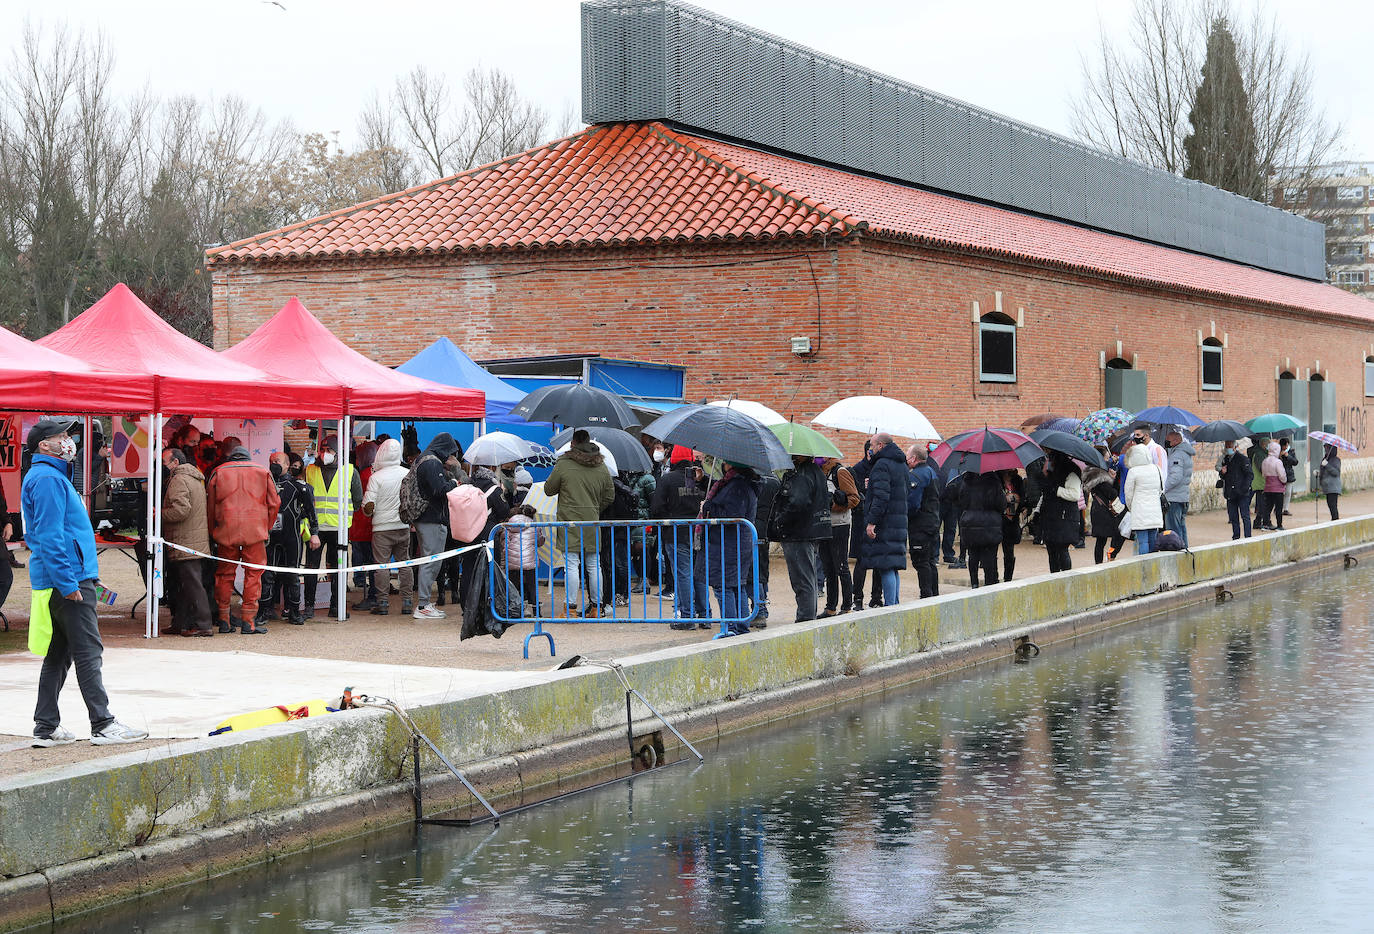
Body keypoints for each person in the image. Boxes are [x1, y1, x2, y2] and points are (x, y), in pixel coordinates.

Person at [23, 416, 148, 747]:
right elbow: (51, 536)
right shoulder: (49, 479)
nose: (69, 440)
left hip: (62, 577)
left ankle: (46, 725)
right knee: (88, 651)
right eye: (62, 435)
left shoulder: (46, 476)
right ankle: (103, 723)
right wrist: (69, 583)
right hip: (69, 579)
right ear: (44, 445)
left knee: (59, 654)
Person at [206, 446, 280, 634]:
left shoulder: (218, 472)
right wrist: (266, 527)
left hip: (226, 530)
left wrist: (213, 531)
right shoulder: (262, 472)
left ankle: (224, 620)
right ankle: (249, 622)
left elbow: (210, 505)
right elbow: (274, 503)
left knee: (224, 575)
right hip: (254, 531)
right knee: (254, 575)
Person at [545, 428, 614, 618]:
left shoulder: (564, 464)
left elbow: (549, 490)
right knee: (594, 564)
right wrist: (594, 509)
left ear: (573, 443)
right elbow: (610, 495)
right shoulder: (601, 465)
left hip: (569, 521)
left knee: (571, 564)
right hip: (592, 520)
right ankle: (596, 607)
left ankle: (571, 608)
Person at [302, 435, 363, 620]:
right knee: (311, 569)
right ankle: (310, 607)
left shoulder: (350, 471)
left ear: (338, 452)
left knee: (338, 570)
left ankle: (336, 606)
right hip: (316, 528)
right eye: (322, 450)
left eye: (328, 450)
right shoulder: (310, 470)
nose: (323, 454)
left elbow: (358, 499)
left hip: (339, 529)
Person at [651, 447, 711, 627]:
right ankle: (705, 615)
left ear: (674, 459)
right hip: (698, 532)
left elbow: (656, 508)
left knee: (683, 574)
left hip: (675, 533)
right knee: (699, 574)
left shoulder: (667, 479)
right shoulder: (699, 479)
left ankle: (687, 616)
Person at [772, 452, 831, 622]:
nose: (790, 456)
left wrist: (781, 519)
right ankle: (807, 617)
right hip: (810, 531)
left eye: (794, 454)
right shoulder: (815, 472)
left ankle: (805, 619)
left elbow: (798, 502)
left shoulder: (802, 474)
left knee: (802, 580)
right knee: (808, 578)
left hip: (799, 533)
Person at [701, 461, 759, 634]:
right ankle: (740, 626)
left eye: (726, 461)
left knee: (724, 585)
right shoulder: (740, 483)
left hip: (729, 543)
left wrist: (708, 507)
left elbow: (732, 515)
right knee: (735, 585)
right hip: (735, 542)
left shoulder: (737, 485)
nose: (723, 464)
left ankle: (731, 627)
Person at [261, 450, 319, 625]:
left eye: (278, 461)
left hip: (291, 537)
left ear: (287, 465)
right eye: (271, 461)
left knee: (292, 575)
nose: (274, 464)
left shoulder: (298, 486)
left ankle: (294, 611)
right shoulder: (263, 485)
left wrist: (314, 533)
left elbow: (311, 511)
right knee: (267, 574)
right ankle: (265, 610)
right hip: (270, 537)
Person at [160, 448, 212, 636]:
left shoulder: (179, 480)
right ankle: (180, 622)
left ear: (175, 463)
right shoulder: (194, 478)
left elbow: (181, 510)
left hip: (185, 540)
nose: (162, 466)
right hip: (193, 540)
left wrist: (159, 514)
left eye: (164, 462)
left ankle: (203, 625)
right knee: (186, 584)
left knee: (192, 584)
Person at [411, 433, 462, 620]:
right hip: (431, 518)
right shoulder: (432, 463)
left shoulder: (423, 459)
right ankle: (423, 605)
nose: (451, 457)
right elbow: (439, 490)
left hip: (427, 518)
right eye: (450, 453)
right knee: (431, 561)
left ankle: (425, 603)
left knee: (431, 560)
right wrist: (454, 482)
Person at [362, 439, 411, 617]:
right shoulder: (407, 474)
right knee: (405, 563)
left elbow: (368, 506)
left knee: (382, 566)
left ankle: (382, 602)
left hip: (382, 528)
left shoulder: (376, 477)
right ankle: (407, 601)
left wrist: (368, 510)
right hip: (403, 525)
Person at [861, 433, 908, 607]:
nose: (870, 449)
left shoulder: (881, 465)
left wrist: (872, 522)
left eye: (872, 445)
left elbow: (881, 497)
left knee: (885, 564)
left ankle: (890, 607)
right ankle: (894, 603)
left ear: (880, 445)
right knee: (893, 565)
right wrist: (872, 484)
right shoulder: (901, 464)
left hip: (886, 522)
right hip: (899, 520)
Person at [818, 456, 858, 617]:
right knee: (828, 568)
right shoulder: (820, 473)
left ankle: (847, 605)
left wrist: (833, 505)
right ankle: (830, 607)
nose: (816, 459)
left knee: (841, 566)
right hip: (823, 525)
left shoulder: (840, 472)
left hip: (840, 525)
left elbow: (854, 498)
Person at [347, 441, 382, 612]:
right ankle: (375, 594)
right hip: (368, 526)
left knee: (370, 564)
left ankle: (373, 596)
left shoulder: (364, 476)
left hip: (362, 526)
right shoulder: (374, 474)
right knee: (373, 563)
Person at [958, 470, 1005, 588]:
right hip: (990, 524)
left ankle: (974, 582)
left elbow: (962, 502)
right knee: (990, 558)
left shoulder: (967, 479)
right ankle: (990, 583)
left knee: (973, 554)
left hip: (970, 523)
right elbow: (1001, 504)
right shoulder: (994, 481)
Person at [905, 444, 941, 598]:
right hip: (933, 522)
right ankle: (934, 594)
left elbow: (912, 504)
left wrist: (905, 516)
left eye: (907, 456)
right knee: (931, 561)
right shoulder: (931, 472)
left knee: (921, 561)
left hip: (920, 525)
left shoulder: (916, 475)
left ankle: (926, 595)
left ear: (914, 458)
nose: (906, 459)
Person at [1040, 452, 1083, 571]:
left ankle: (1065, 579)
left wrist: (1057, 490)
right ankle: (1054, 578)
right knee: (1051, 550)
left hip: (1065, 517)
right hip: (1051, 517)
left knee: (1062, 549)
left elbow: (1075, 494)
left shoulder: (1071, 472)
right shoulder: (1051, 474)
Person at [503, 504, 545, 614]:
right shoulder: (535, 525)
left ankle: (514, 610)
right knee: (532, 586)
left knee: (513, 587)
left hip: (512, 562)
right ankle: (536, 611)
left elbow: (505, 543)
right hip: (530, 561)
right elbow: (539, 542)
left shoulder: (508, 525)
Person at [1123, 444, 1164, 554]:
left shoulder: (1133, 471)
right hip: (1155, 509)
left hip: (1139, 510)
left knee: (1143, 542)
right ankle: (1153, 566)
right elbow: (1161, 489)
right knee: (1153, 540)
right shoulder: (1157, 469)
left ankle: (1144, 566)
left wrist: (1132, 507)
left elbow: (1128, 493)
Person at [1084, 457, 1126, 563]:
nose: (1109, 459)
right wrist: (1115, 478)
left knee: (1101, 541)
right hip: (1104, 512)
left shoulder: (1094, 475)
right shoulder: (1101, 478)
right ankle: (1107, 558)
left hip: (1099, 510)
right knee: (1113, 536)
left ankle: (1100, 563)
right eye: (1107, 457)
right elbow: (1113, 493)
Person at [1163, 429, 1195, 548]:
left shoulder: (1177, 455)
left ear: (1176, 441)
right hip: (1182, 496)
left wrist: (1163, 488)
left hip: (1174, 498)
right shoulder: (1184, 453)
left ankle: (1177, 553)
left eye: (1168, 440)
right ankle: (1184, 550)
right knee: (1181, 527)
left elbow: (1175, 477)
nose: (1166, 442)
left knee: (1174, 529)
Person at [1220, 438, 1254, 539]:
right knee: (1233, 517)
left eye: (1230, 446)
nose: (1228, 448)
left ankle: (1248, 537)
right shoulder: (1225, 459)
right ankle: (1236, 537)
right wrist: (1222, 473)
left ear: (1235, 447)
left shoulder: (1242, 459)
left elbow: (1249, 475)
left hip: (1242, 493)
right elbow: (1224, 477)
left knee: (1245, 516)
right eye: (1226, 446)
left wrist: (1244, 488)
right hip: (1230, 493)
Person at [998, 468, 1026, 581]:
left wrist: (1021, 505)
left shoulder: (1018, 480)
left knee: (1009, 551)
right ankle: (992, 578)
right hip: (998, 519)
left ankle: (1007, 578)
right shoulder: (996, 479)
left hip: (1011, 520)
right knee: (992, 550)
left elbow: (1023, 498)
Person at [1259, 441, 1287, 531]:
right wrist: (1284, 481)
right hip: (1278, 488)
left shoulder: (1264, 461)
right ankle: (1279, 525)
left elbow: (1263, 474)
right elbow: (1282, 475)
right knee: (1278, 507)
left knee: (1268, 507)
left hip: (1268, 487)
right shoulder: (1278, 462)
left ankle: (1265, 524)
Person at [1249, 435, 1270, 530]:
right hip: (1260, 482)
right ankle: (1258, 522)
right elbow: (1261, 468)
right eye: (1267, 444)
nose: (1268, 445)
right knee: (1262, 504)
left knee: (1263, 503)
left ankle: (1263, 521)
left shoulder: (1264, 453)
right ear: (1263, 444)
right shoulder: (1258, 454)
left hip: (1263, 482)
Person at [1320, 442, 1342, 520]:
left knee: (1333, 505)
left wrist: (1327, 465)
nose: (1325, 450)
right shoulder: (1325, 458)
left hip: (1333, 487)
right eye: (1325, 448)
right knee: (1330, 504)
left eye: (1327, 448)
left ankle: (1335, 520)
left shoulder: (1336, 460)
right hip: (1327, 487)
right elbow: (1324, 471)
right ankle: (1334, 519)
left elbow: (1336, 472)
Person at [1279, 438, 1298, 518]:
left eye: (1287, 445)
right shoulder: (1277, 451)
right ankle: (1278, 508)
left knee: (1288, 492)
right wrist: (1279, 456)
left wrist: (1288, 456)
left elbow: (1295, 462)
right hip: (1279, 474)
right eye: (1285, 445)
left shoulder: (1291, 451)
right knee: (1280, 493)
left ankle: (1285, 509)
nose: (1286, 447)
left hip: (1289, 474)